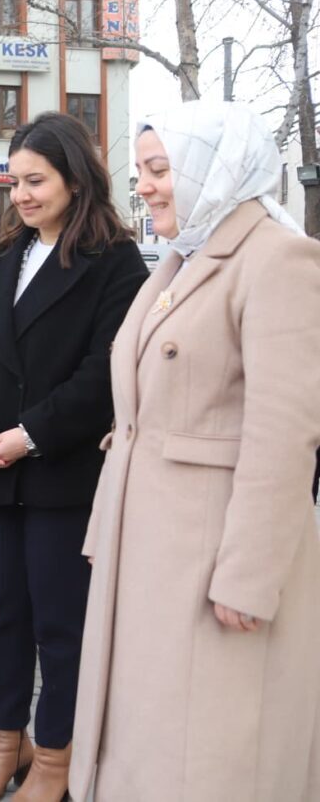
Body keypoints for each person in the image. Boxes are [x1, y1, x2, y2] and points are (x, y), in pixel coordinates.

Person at [71, 101, 320, 801]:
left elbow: (285, 430)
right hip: (148, 557)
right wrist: (105, 528)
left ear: (214, 169)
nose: (143, 187)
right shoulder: (181, 260)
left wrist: (248, 576)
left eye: (159, 169)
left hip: (214, 566)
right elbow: (139, 420)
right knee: (150, 748)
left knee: (209, 758)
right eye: (140, 170)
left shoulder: (278, 257)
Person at [0, 112, 147, 802]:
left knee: (60, 624)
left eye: (35, 180)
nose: (22, 195)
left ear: (74, 176)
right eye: (14, 183)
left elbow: (105, 372)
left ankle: (56, 762)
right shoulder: (3, 260)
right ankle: (9, 746)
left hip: (62, 475)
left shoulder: (115, 260)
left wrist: (29, 432)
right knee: (5, 617)